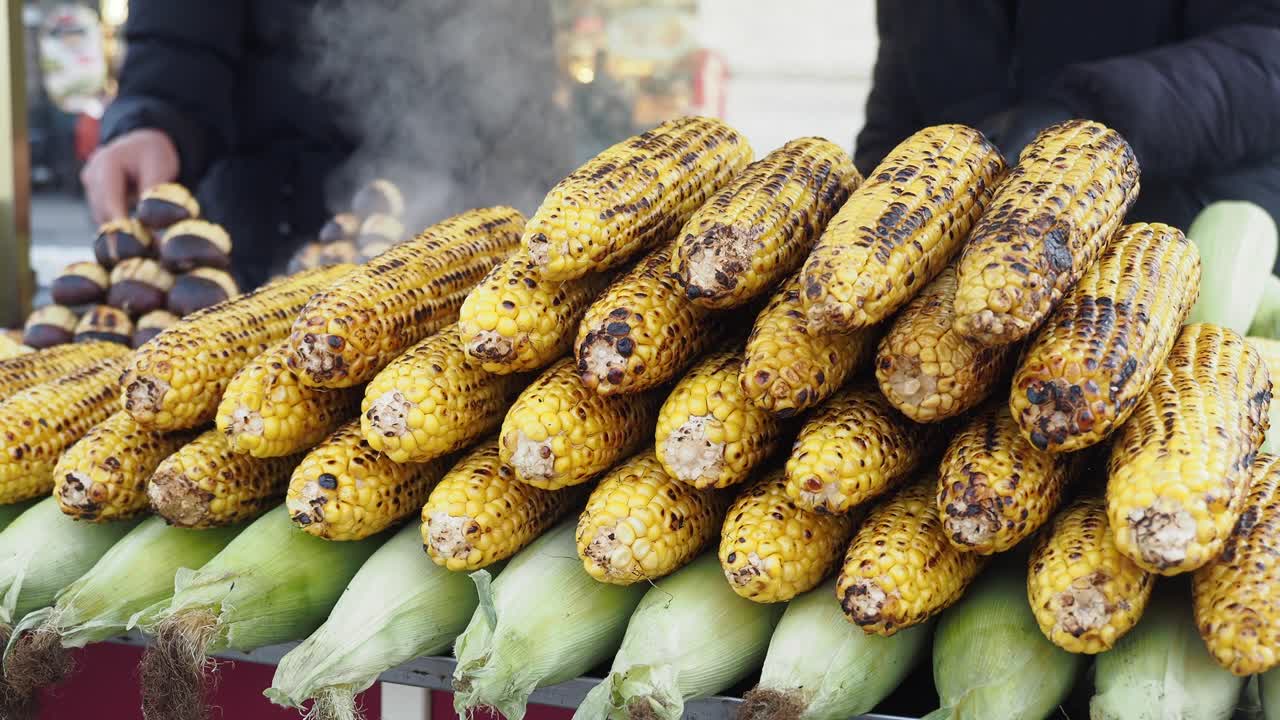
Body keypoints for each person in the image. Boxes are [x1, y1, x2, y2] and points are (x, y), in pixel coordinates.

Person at [81, 0, 572, 288]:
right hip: (276, 224)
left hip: (468, 230)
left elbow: (514, 51)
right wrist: (153, 118)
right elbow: (180, 38)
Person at [857, 1, 1280, 236]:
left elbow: (1266, 52)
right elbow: (901, 101)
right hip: (969, 299)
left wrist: (1083, 116)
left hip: (1181, 253)